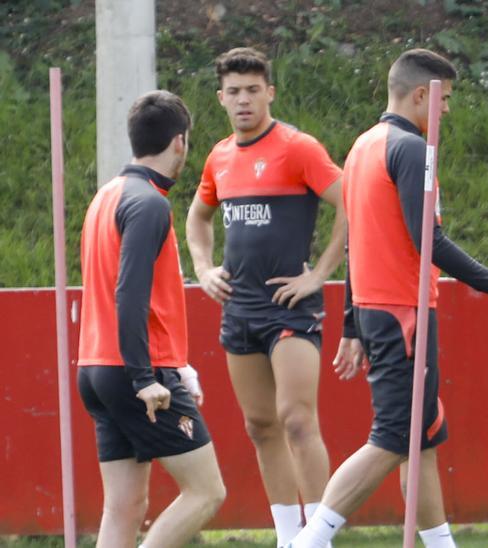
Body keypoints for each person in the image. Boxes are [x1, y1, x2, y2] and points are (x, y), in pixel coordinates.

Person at [287, 48, 488, 548]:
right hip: (403, 314)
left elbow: (360, 239)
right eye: (444, 101)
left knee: (421, 440)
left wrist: (353, 325)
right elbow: (430, 241)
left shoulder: (362, 147)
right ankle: (308, 541)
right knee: (394, 437)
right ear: (424, 94)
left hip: (384, 313)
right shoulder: (410, 150)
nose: (446, 111)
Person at [185, 46, 345, 546]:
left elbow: (352, 204)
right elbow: (196, 219)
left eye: (253, 90)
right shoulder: (219, 156)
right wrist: (204, 269)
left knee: (297, 420)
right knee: (260, 425)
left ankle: (318, 537)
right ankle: (287, 536)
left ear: (270, 92)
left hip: (289, 308)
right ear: (221, 98)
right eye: (234, 92)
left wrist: (319, 274)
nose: (244, 100)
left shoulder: (298, 147)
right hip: (239, 309)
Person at [78, 90, 226, 547]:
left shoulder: (108, 195)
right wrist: (146, 377)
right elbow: (130, 294)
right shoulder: (149, 203)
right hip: (133, 372)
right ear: (180, 142)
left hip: (97, 368)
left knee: (125, 507)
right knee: (206, 491)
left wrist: (175, 366)